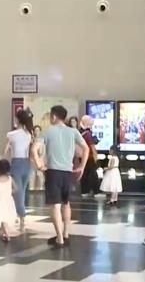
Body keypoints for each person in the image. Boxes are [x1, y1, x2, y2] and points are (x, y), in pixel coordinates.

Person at [30, 105, 91, 248]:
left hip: (53, 172)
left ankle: (59, 238)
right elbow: (86, 148)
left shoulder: (47, 131)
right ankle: (66, 234)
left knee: (55, 206)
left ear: (53, 116)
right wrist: (81, 167)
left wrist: (39, 165)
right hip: (68, 172)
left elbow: (33, 149)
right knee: (66, 203)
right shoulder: (73, 131)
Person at [5, 109, 34, 229]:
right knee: (22, 190)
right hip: (27, 163)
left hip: (16, 163)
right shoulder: (29, 134)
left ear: (17, 119)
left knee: (18, 191)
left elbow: (6, 151)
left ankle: (21, 215)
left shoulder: (11, 134)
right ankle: (20, 215)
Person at [0, 159, 18, 241]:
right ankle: (1, 232)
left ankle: (7, 235)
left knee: (3, 218)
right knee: (5, 217)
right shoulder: (10, 179)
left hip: (0, 201)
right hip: (9, 200)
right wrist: (9, 192)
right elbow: (16, 189)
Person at [78, 115, 100, 197]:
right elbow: (92, 147)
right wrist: (96, 158)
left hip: (82, 156)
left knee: (84, 173)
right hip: (89, 156)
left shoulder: (80, 132)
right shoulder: (88, 134)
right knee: (93, 174)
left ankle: (84, 191)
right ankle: (96, 192)